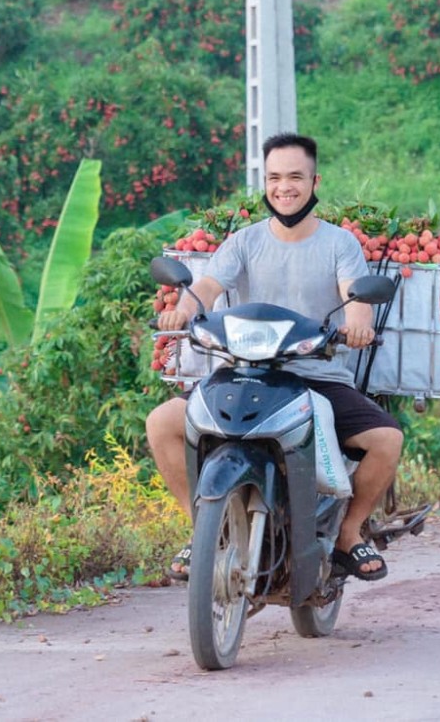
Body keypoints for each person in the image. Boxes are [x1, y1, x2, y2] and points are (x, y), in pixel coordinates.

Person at [146, 132, 404, 583]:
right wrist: (182, 311)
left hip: (315, 374)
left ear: (314, 182)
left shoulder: (339, 244)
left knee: (386, 440)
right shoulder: (244, 242)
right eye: (275, 178)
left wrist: (358, 324)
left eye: (295, 177)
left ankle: (348, 532)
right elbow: (206, 287)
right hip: (244, 371)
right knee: (160, 423)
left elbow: (356, 296)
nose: (285, 187)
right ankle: (202, 530)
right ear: (265, 183)